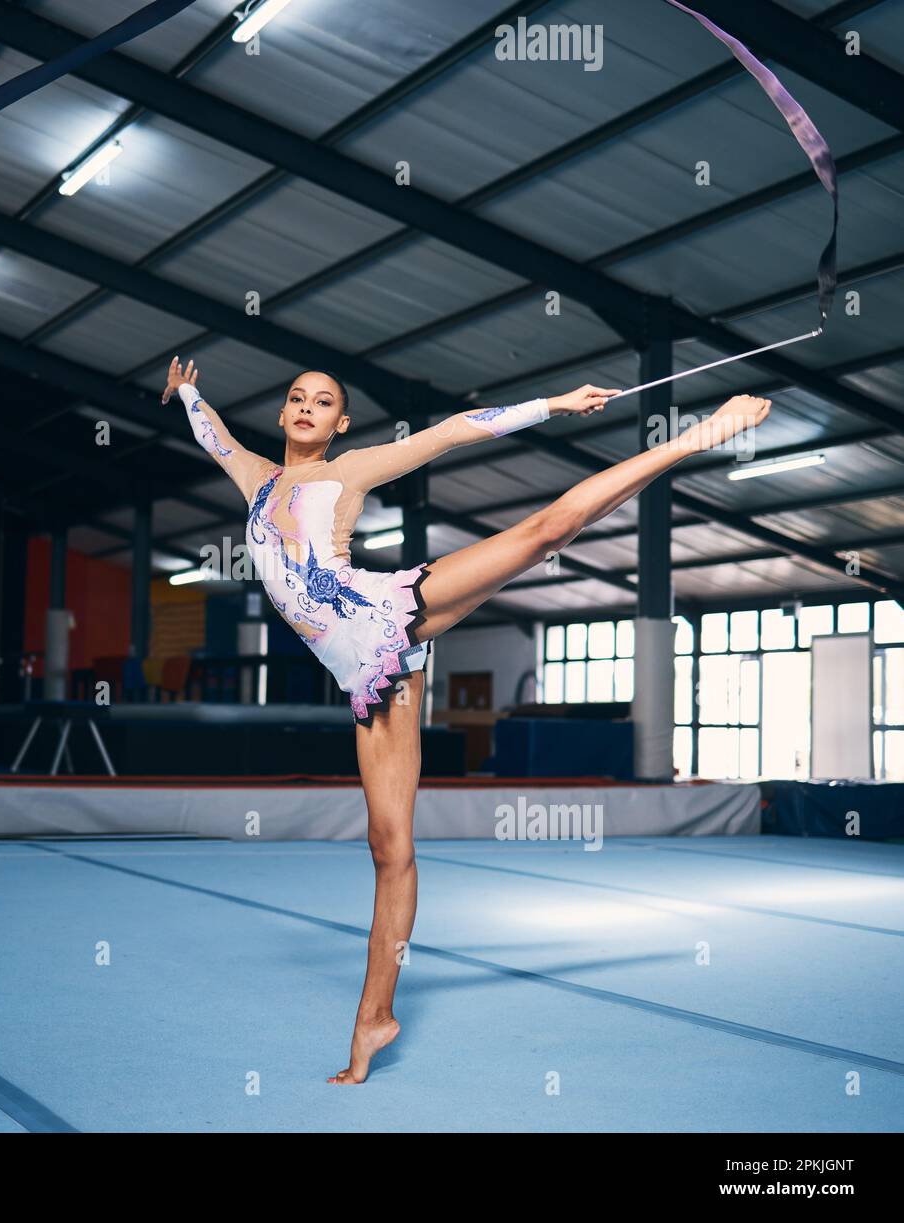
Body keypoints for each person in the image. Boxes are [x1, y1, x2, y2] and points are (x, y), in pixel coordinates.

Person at [161, 356, 770, 1083]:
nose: (305, 407)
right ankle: (376, 1016)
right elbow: (211, 435)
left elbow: (450, 432)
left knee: (547, 531)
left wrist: (556, 401)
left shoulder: (348, 470)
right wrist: (188, 390)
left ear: (340, 423)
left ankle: (698, 436)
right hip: (365, 674)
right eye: (296, 396)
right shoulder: (256, 479)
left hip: (388, 612)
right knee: (390, 850)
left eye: (322, 401)